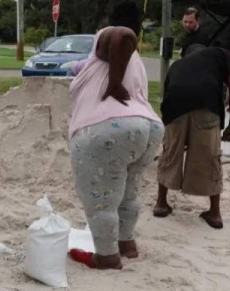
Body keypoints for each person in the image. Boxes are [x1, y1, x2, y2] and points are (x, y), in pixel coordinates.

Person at [67, 0, 164, 270]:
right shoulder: (136, 62)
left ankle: (107, 256)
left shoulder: (110, 34)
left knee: (101, 198)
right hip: (148, 128)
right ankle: (126, 244)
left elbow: (123, 35)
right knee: (128, 192)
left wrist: (112, 84)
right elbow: (88, 66)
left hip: (107, 128)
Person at [153, 44, 230, 229]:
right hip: (206, 105)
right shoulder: (222, 54)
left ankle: (161, 203)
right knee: (210, 156)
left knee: (170, 152)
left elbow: (165, 97)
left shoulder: (176, 66)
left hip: (174, 108)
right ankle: (214, 213)